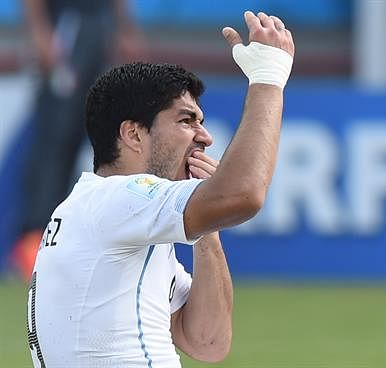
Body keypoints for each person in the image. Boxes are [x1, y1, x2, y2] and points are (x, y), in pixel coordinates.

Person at [27, 10, 294, 368]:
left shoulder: (108, 213)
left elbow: (207, 341)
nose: (205, 136)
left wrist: (207, 227)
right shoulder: (122, 199)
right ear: (133, 134)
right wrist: (268, 78)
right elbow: (243, 194)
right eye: (186, 120)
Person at [13, 0, 146, 280]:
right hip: (68, 24)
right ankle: (35, 240)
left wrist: (123, 27)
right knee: (56, 137)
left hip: (100, 22)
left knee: (102, 134)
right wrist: (40, 33)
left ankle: (83, 240)